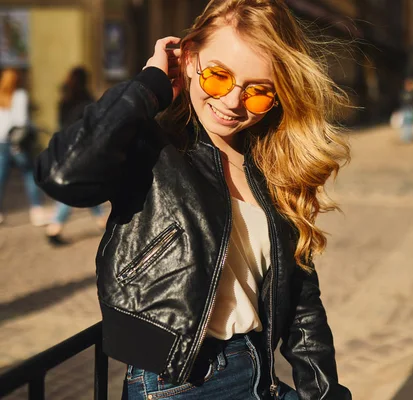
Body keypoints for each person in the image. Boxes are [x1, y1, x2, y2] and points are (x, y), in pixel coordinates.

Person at [34, 1, 352, 399]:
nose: (234, 102)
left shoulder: (271, 163)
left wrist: (324, 393)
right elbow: (63, 173)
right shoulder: (152, 143)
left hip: (259, 374)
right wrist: (149, 86)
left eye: (257, 92)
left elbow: (303, 297)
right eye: (219, 76)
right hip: (179, 385)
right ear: (188, 59)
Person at [45, 67, 107, 246]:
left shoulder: (65, 99)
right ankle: (54, 227)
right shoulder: (86, 101)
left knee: (86, 186)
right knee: (75, 188)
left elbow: (61, 125)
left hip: (65, 147)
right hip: (83, 150)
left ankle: (102, 221)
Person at [0, 68, 45, 226]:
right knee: (29, 174)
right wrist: (34, 128)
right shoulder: (20, 95)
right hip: (17, 141)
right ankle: (36, 211)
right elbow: (21, 121)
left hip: (1, 142)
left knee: (1, 177)